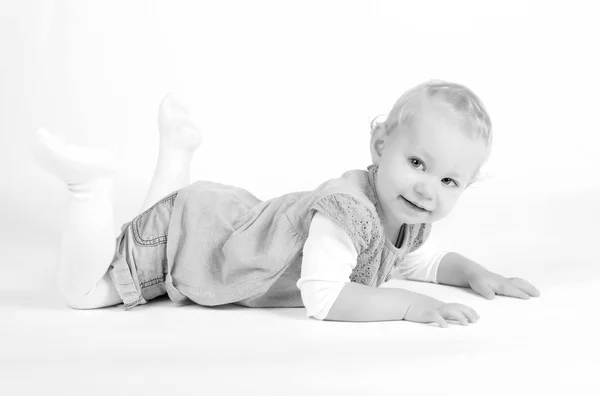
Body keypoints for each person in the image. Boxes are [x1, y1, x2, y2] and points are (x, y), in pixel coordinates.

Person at [32, 80, 540, 328]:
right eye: (418, 164)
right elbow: (324, 297)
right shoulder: (346, 212)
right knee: (85, 293)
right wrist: (411, 306)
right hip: (186, 240)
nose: (429, 188)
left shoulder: (402, 215)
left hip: (207, 222)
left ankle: (177, 152)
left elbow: (412, 259)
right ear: (380, 146)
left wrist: (473, 272)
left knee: (166, 213)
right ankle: (88, 188)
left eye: (450, 180)